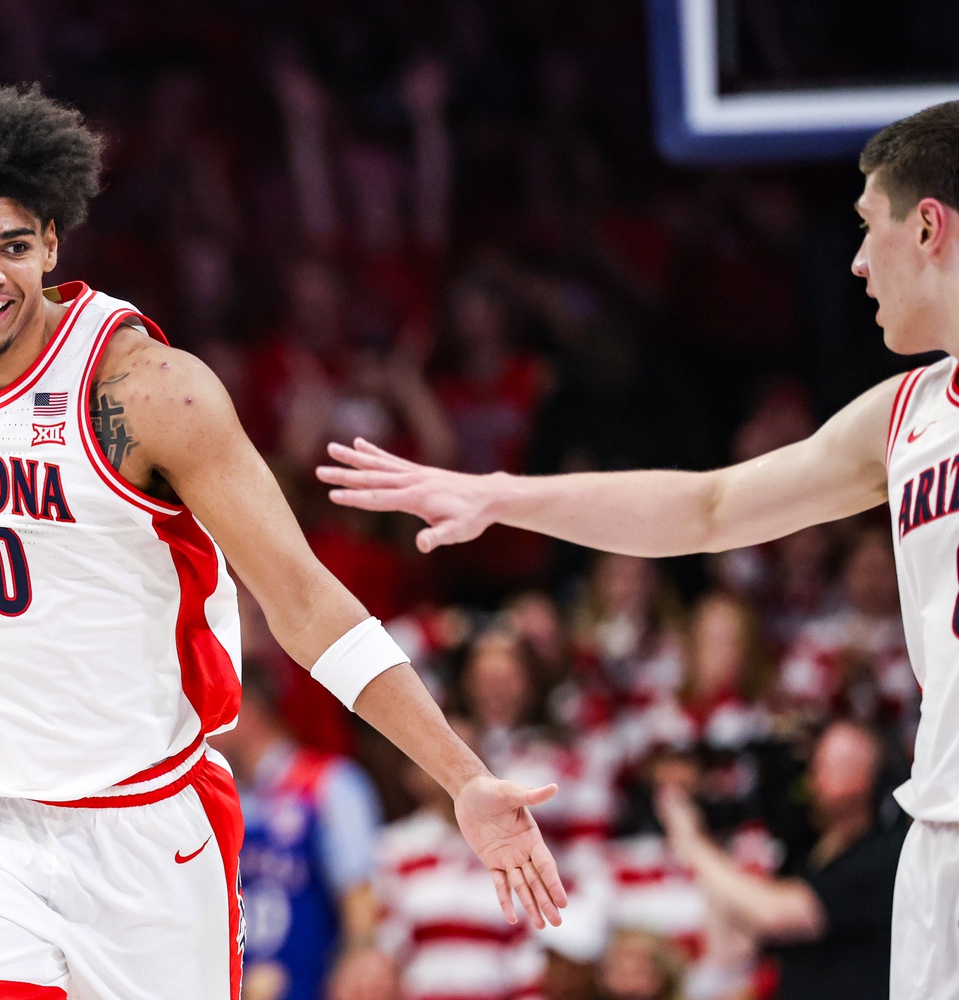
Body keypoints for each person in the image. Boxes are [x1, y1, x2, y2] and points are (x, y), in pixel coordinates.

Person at [0, 79, 567, 1000]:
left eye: (12, 246)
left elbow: (304, 600)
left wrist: (462, 775)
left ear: (51, 247)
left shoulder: (152, 391)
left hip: (143, 828)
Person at [318, 99, 959, 999]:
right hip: (939, 834)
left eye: (868, 228)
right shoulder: (907, 413)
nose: (855, 261)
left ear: (928, 225)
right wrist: (502, 495)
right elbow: (706, 506)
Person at [656, 719, 903, 1000]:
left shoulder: (885, 853)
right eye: (816, 762)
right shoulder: (811, 846)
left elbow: (780, 915)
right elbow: (734, 947)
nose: (815, 777)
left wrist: (693, 844)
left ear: (875, 777)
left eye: (833, 765)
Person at [210, 662, 388, 1000]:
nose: (202, 732)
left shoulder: (330, 784)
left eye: (211, 716)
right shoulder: (220, 801)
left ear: (244, 711)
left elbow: (360, 893)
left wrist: (357, 964)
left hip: (314, 984)